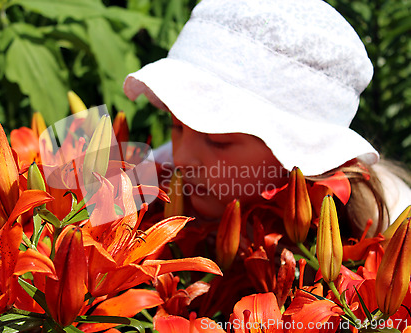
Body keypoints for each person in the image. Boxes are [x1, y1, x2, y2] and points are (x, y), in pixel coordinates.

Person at [123, 0, 411, 238]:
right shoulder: (162, 171)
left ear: (305, 154)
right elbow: (87, 197)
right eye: (176, 126)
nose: (183, 158)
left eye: (218, 141)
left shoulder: (390, 222)